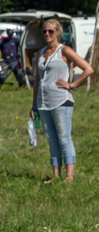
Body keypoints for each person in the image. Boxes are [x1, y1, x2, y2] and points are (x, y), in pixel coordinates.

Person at [31, 18, 94, 183]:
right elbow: (37, 81)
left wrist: (72, 84)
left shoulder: (64, 50)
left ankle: (69, 176)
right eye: (45, 31)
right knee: (51, 139)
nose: (47, 34)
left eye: (51, 31)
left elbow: (88, 69)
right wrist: (34, 105)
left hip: (61, 101)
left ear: (58, 32)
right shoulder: (40, 53)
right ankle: (56, 175)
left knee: (64, 138)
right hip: (43, 103)